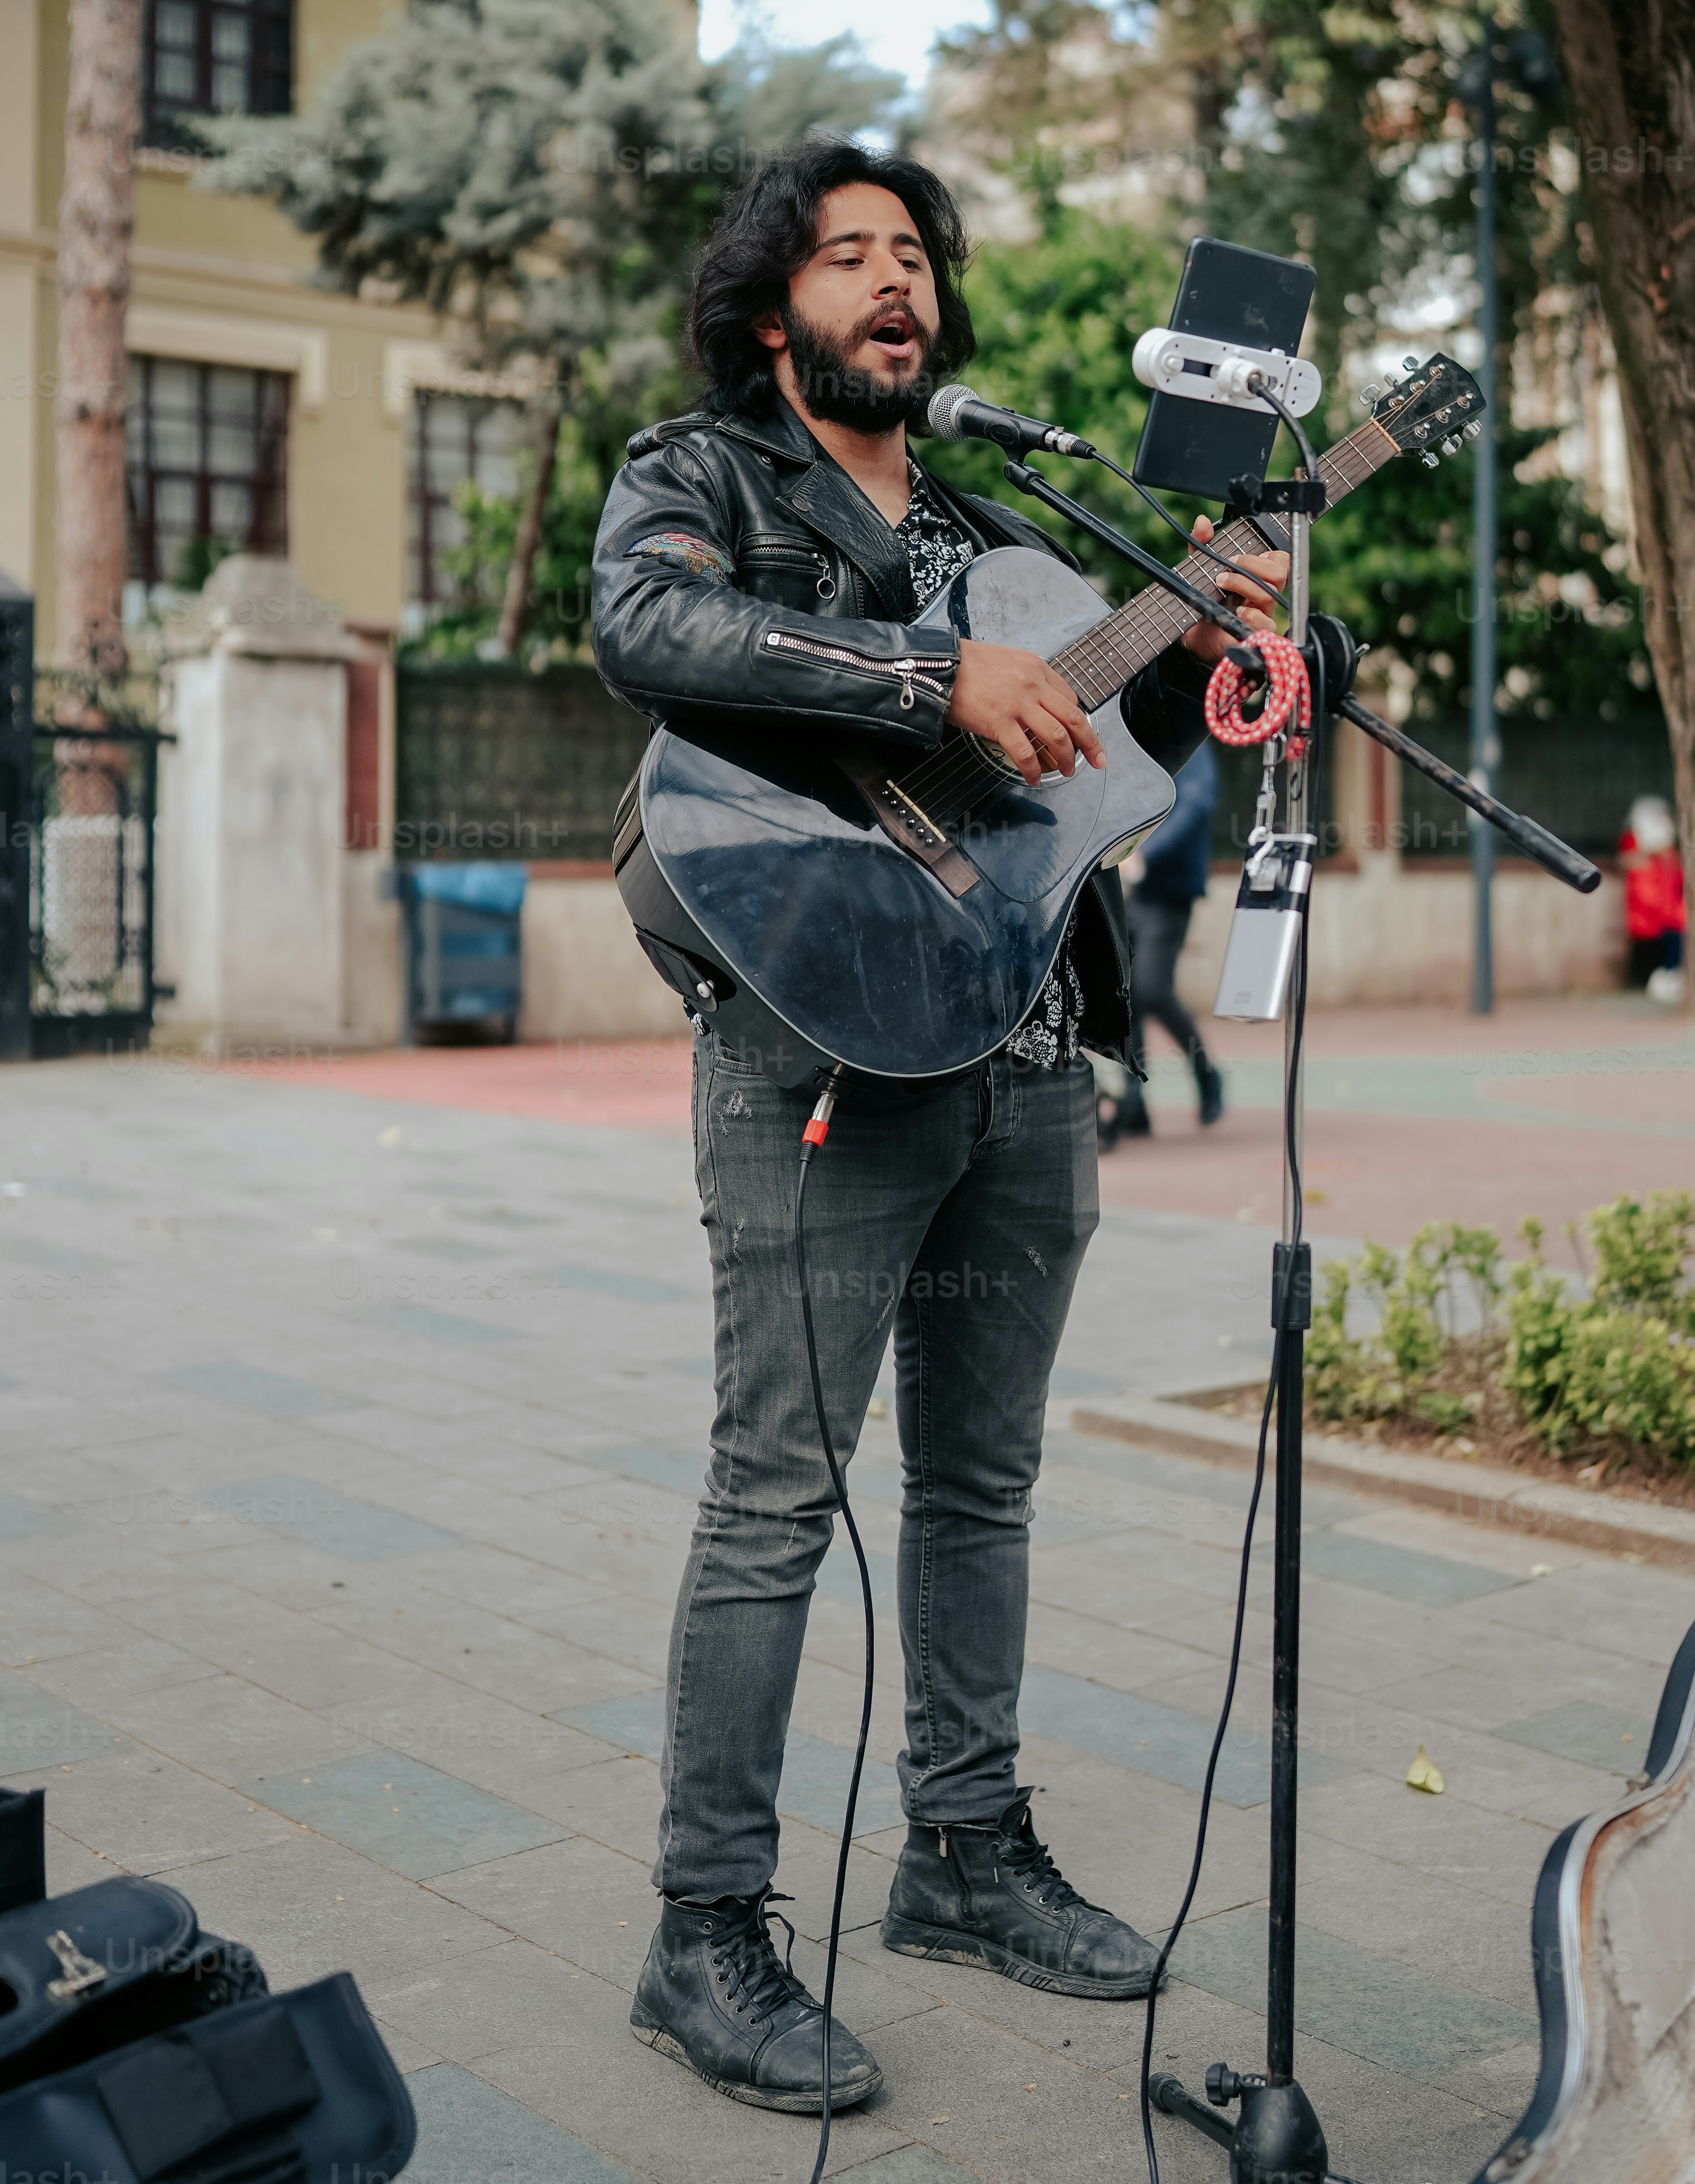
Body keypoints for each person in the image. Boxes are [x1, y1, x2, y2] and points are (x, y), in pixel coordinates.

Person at [591, 137, 1286, 2119]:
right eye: (847, 256)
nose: (894, 282)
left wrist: (1212, 640)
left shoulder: (1005, 526)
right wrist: (928, 672)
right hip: (813, 1049)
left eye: (913, 256)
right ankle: (702, 1929)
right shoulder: (696, 473)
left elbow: (1093, 784)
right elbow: (650, 629)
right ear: (769, 312)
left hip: (1022, 1042)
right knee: (772, 1501)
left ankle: (962, 1855)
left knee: (978, 1491)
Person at [1101, 736, 1225, 1144]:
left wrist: (1144, 856)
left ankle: (1206, 1074)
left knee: (1151, 988)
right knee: (1125, 994)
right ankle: (1134, 1102)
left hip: (1167, 892)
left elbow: (1196, 804)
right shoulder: (1127, 738)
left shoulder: (1189, 744)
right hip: (1121, 890)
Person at [1619, 793, 1686, 1004]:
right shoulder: (1636, 851)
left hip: (1668, 915)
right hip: (1652, 917)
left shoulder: (1667, 858)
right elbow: (1647, 895)